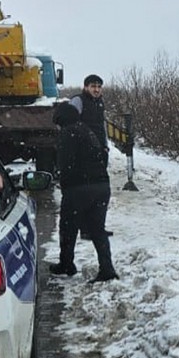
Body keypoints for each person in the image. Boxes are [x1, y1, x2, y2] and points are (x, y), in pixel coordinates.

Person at [48, 101, 118, 283]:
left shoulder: (67, 133)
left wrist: (63, 182)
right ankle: (107, 269)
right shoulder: (86, 130)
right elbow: (101, 156)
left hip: (79, 188)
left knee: (68, 227)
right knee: (97, 230)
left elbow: (65, 163)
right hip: (102, 186)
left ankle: (66, 264)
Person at [70, 74, 114, 239]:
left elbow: (102, 126)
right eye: (93, 86)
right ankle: (85, 230)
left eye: (99, 86)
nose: (96, 89)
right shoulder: (78, 101)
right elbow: (70, 124)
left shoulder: (100, 103)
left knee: (100, 193)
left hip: (100, 153)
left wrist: (105, 146)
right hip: (84, 155)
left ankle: (97, 228)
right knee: (86, 193)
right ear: (86, 87)